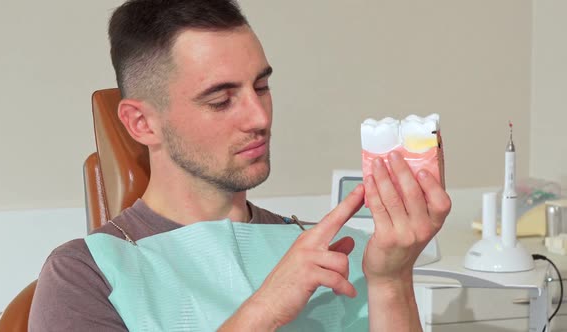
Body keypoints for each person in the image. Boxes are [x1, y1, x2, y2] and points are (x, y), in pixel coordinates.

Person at [29, 0, 451, 330]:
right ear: (142, 123)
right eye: (221, 99)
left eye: (262, 86)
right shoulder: (85, 275)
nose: (259, 117)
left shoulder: (345, 254)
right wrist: (262, 311)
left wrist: (392, 281)